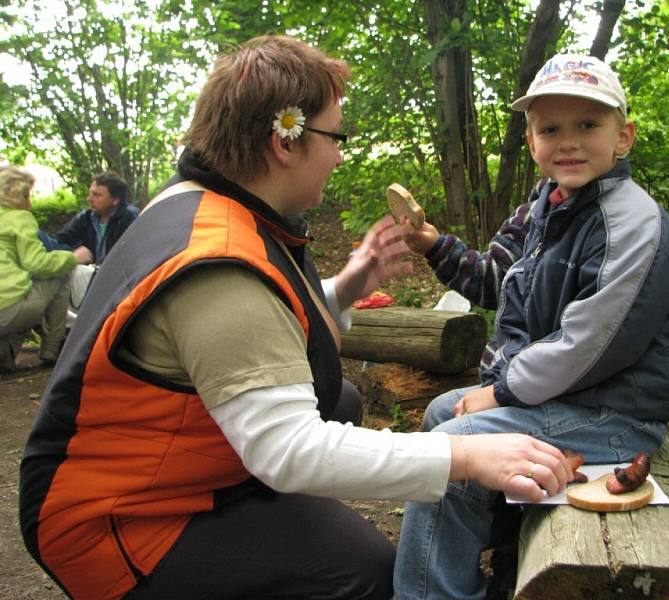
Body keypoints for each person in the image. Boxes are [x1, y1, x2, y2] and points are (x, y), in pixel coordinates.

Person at [19, 36, 577, 600]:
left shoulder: (209, 200)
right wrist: (467, 455)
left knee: (343, 402)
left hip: (174, 460)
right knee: (372, 574)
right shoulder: (217, 266)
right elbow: (287, 446)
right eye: (336, 137)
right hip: (119, 519)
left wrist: (345, 288)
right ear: (285, 143)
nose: (339, 155)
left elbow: (251, 328)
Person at [394, 53, 669, 599]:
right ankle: (499, 558)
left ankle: (430, 592)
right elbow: (493, 281)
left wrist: (500, 391)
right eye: (551, 128)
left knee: (453, 445)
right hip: (570, 399)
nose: (569, 141)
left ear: (622, 137)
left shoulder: (633, 223)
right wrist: (434, 245)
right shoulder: (542, 210)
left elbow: (590, 345)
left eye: (588, 125)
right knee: (443, 411)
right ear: (532, 143)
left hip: (616, 414)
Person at [0, 167, 84, 372]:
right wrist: (72, 258)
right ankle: (53, 348)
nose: (29, 200)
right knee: (62, 271)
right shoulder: (18, 217)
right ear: (13, 194)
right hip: (7, 308)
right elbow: (36, 263)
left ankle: (6, 357)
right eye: (26, 194)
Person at [43, 171, 139, 265]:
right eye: (90, 193)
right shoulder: (85, 218)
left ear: (115, 199)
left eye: (97, 195)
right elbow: (60, 241)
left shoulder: (129, 217)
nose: (90, 199)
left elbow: (135, 254)